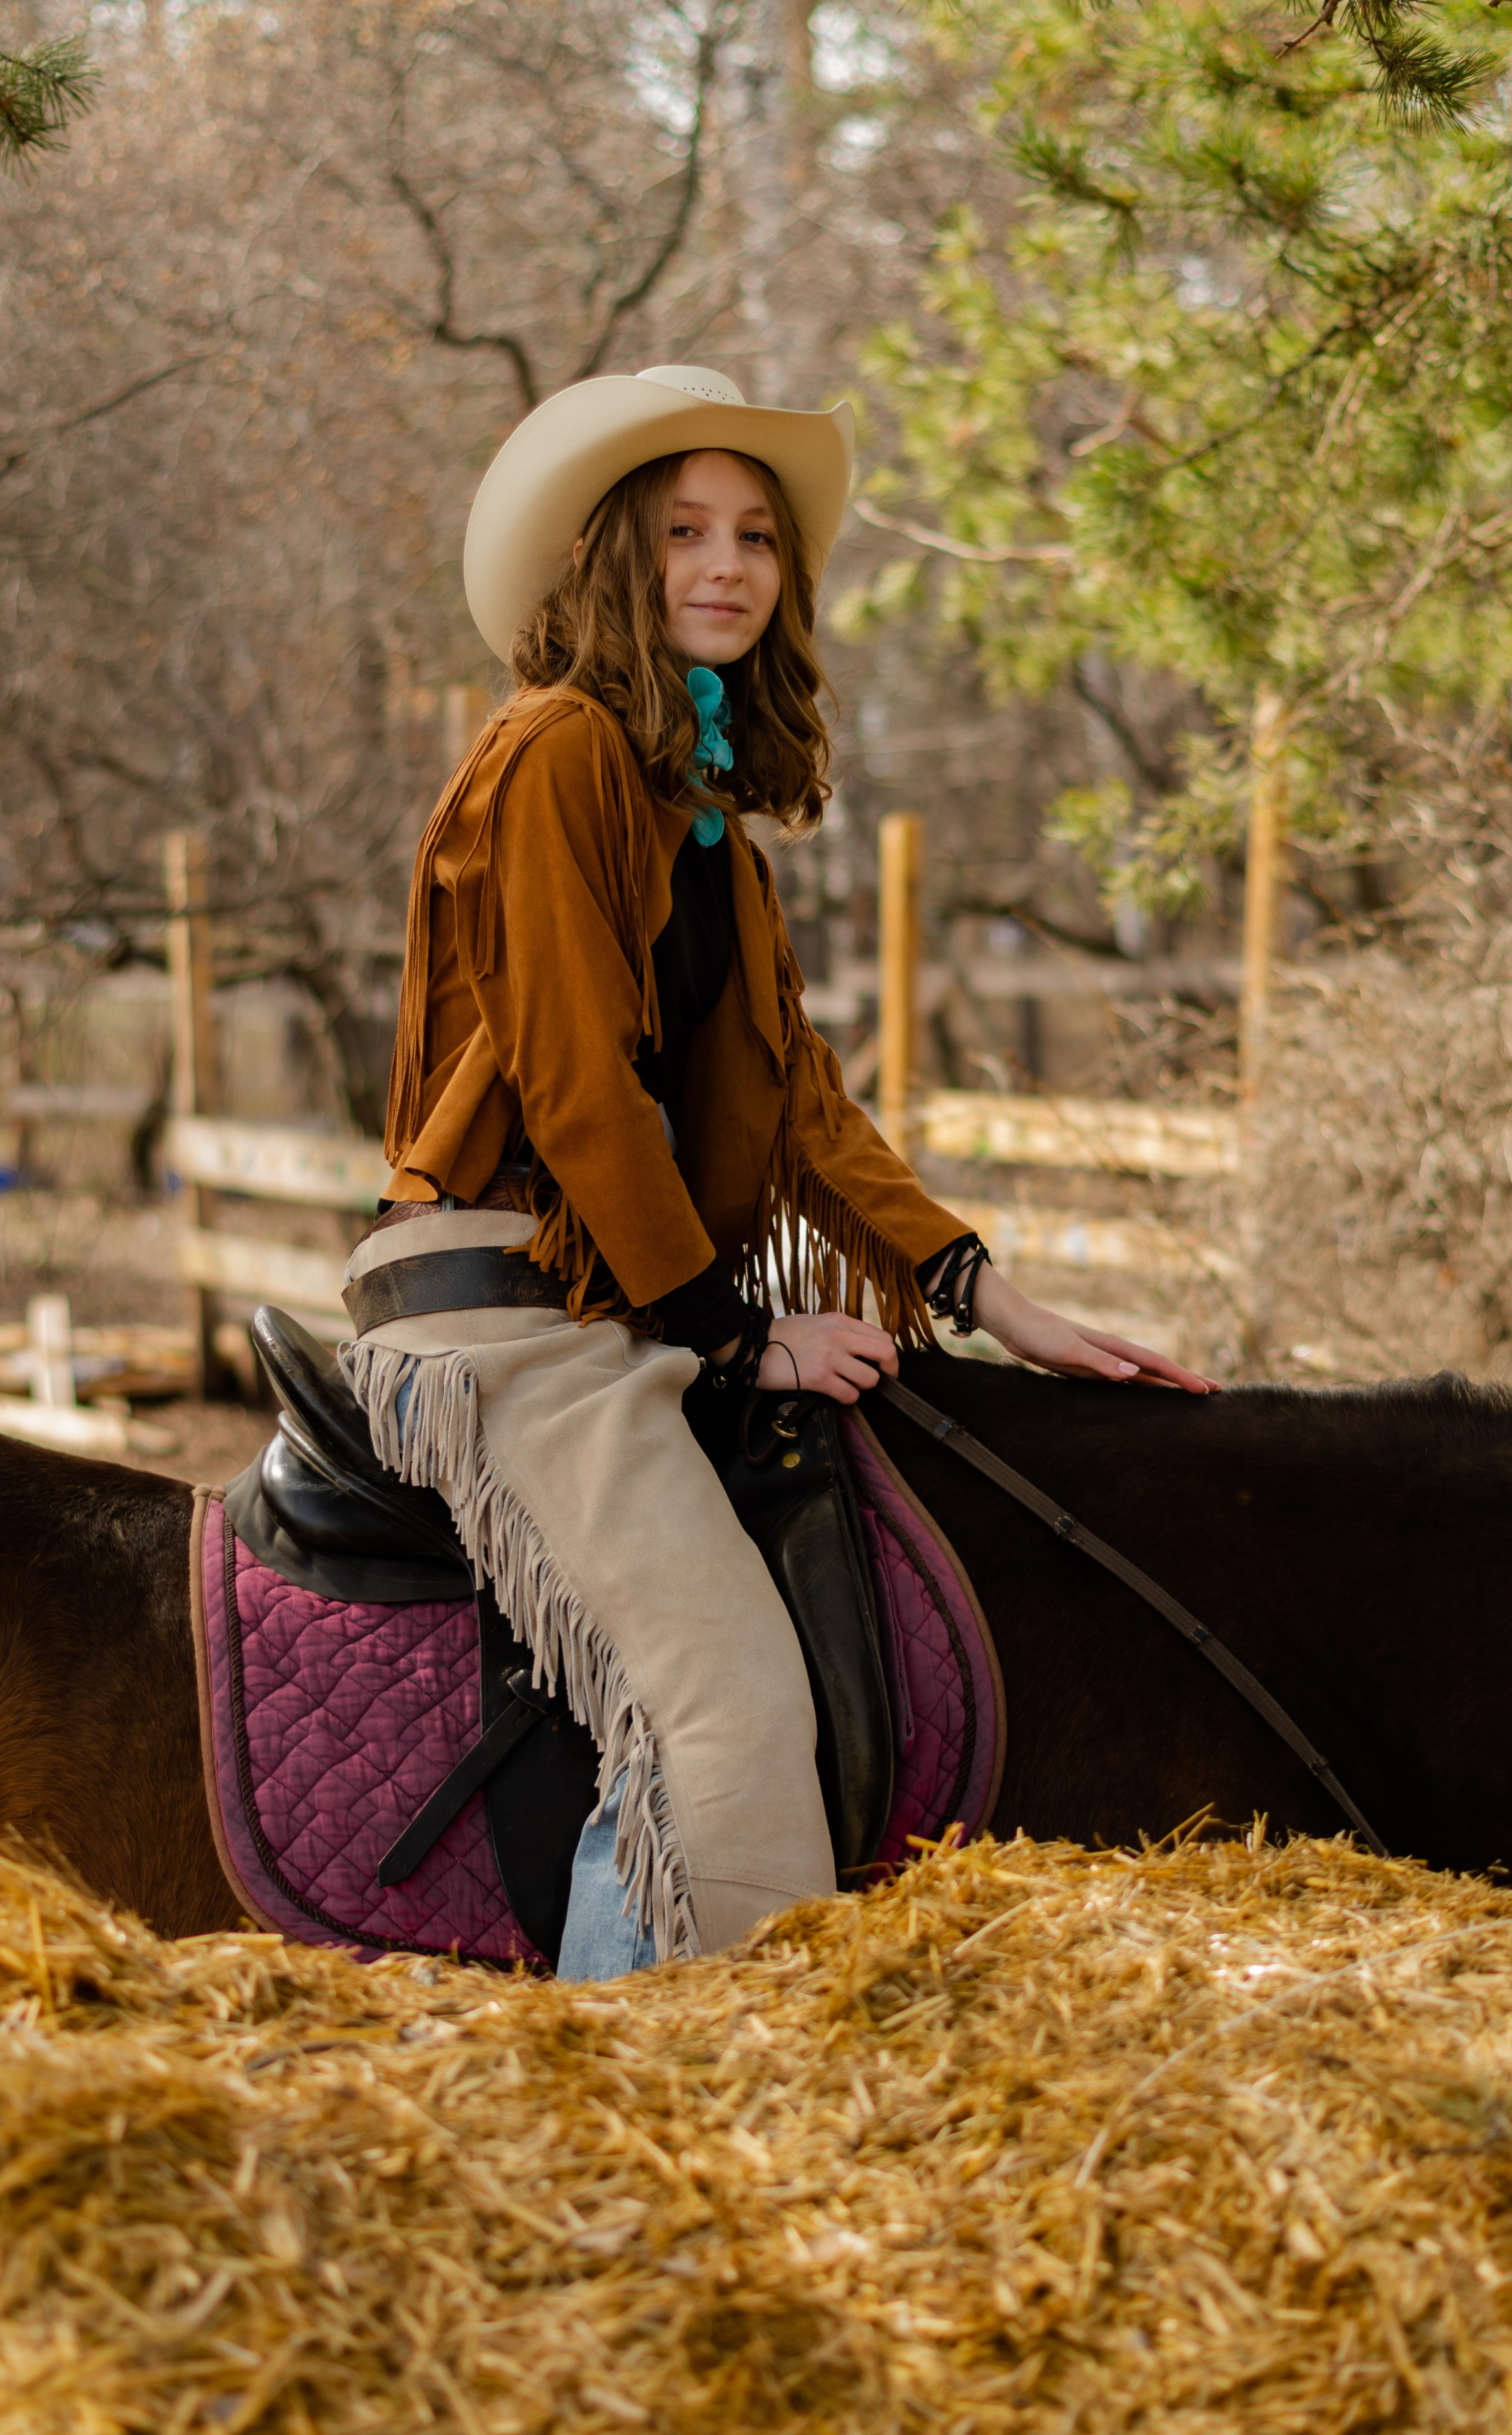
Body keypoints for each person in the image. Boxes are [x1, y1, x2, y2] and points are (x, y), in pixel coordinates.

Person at [340, 365, 1213, 1981]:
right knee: (722, 1702)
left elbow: (804, 1109)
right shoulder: (553, 753)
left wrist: (993, 1295)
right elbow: (572, 1080)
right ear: (614, 553)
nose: (727, 563)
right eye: (683, 530)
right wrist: (737, 1336)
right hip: (507, 1309)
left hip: (609, 1302)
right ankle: (656, 2112)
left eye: (754, 535)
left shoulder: (704, 832)